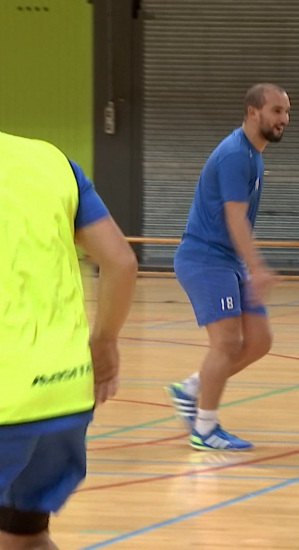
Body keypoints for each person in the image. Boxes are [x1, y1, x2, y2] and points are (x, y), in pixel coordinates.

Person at [0, 131, 137, 550]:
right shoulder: (51, 161)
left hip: (7, 399)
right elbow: (120, 261)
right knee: (25, 537)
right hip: (65, 395)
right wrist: (105, 341)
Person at [166, 83, 289, 451]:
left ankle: (190, 388)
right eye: (276, 111)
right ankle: (204, 429)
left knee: (260, 340)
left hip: (227, 261)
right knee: (226, 342)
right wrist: (258, 267)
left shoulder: (254, 154)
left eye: (286, 112)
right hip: (206, 259)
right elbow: (234, 217)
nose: (284, 119)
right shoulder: (236, 154)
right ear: (253, 112)